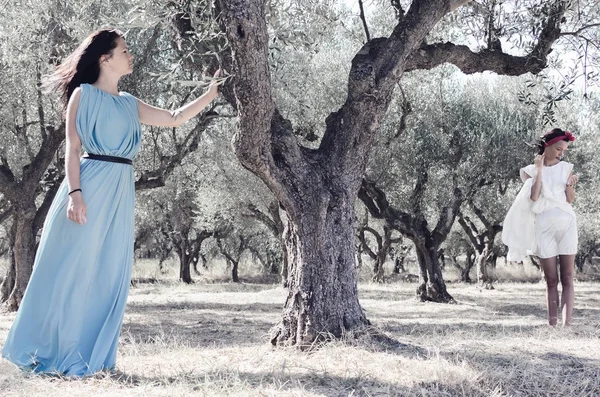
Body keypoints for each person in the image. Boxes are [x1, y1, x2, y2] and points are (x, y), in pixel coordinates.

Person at [1, 28, 221, 376]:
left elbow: (175, 117)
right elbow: (72, 150)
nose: (130, 54)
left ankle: (94, 357)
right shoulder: (83, 96)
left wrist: (210, 95)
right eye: (124, 50)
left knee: (108, 275)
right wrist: (75, 195)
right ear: (105, 58)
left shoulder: (129, 103)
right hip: (88, 188)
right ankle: (58, 353)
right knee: (72, 272)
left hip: (120, 193)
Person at [502, 128, 578, 326]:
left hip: (567, 222)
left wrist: (570, 185)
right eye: (559, 149)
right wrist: (539, 170)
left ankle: (567, 325)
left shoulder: (566, 167)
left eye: (564, 150)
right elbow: (534, 197)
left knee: (568, 276)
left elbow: (569, 200)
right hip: (544, 225)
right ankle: (552, 324)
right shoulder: (529, 170)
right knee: (551, 279)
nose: (562, 153)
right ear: (548, 146)